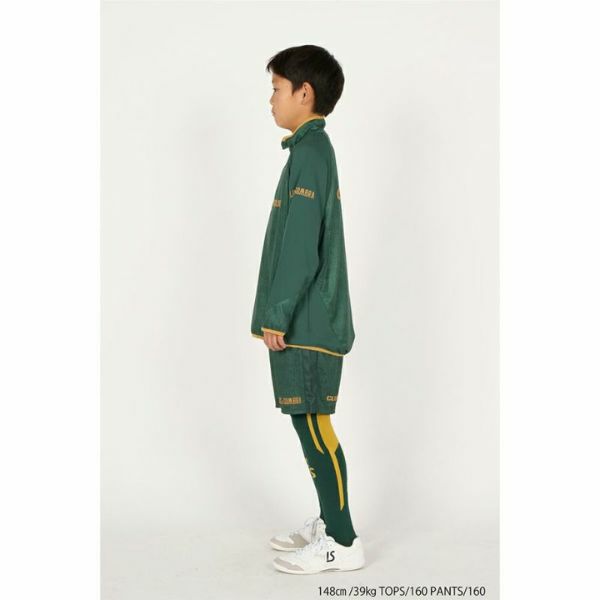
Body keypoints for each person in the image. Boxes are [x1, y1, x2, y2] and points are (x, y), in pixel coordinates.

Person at [250, 44, 365, 575]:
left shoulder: (311, 153)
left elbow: (300, 247)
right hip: (306, 318)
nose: (271, 99)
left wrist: (277, 313)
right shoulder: (307, 151)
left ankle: (342, 541)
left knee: (316, 427)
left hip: (309, 320)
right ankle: (329, 519)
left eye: (276, 88)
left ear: (304, 92)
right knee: (308, 424)